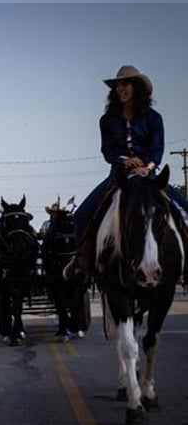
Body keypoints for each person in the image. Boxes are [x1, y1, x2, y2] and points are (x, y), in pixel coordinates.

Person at [66, 65, 188, 282]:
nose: (120, 88)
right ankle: (82, 262)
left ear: (137, 88)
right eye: (118, 85)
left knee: (184, 208)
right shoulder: (107, 120)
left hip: (148, 176)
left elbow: (157, 149)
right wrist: (125, 160)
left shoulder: (153, 118)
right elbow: (108, 151)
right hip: (118, 176)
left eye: (125, 84)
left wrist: (147, 167)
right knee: (81, 214)